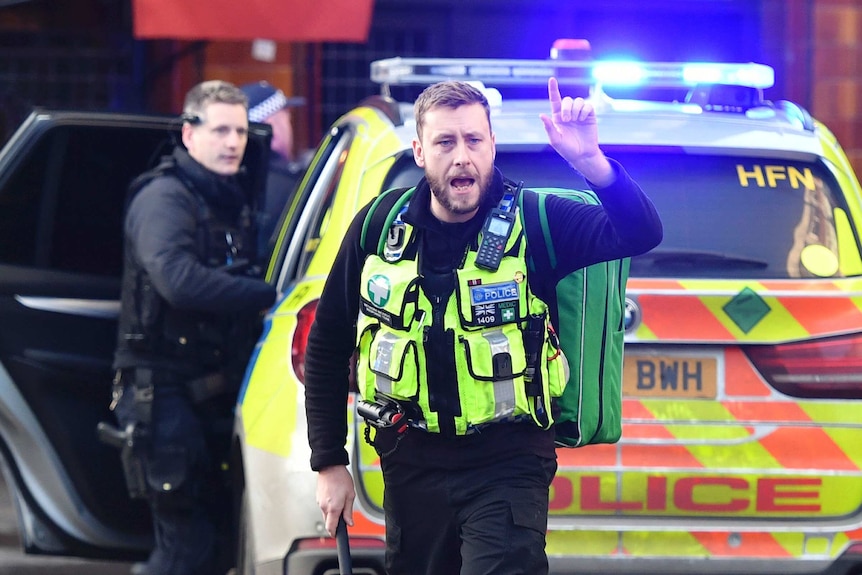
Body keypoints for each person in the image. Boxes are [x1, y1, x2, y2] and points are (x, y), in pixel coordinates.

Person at [304, 77, 663, 575]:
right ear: (420, 151)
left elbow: (640, 232)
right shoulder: (380, 226)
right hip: (410, 463)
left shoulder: (536, 221)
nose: (462, 157)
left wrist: (590, 162)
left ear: (491, 145)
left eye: (474, 140)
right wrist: (329, 462)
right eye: (445, 142)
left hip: (508, 463)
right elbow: (328, 341)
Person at [109, 80, 277, 575]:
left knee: (215, 546)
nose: (233, 142)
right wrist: (270, 297)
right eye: (220, 129)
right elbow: (177, 281)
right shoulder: (164, 198)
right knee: (188, 547)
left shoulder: (226, 198)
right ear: (189, 134)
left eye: (241, 131)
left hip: (206, 392)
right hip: (161, 392)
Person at [239, 80, 308, 258]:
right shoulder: (288, 184)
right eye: (287, 116)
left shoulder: (236, 178)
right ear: (273, 128)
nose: (290, 125)